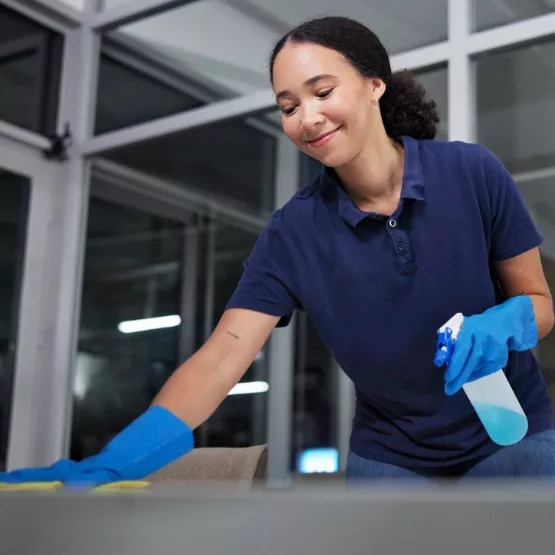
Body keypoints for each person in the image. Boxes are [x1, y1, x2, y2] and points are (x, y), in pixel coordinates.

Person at [2, 15, 554, 487]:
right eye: (288, 106)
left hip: (514, 436)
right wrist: (126, 456)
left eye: (322, 91)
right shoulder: (295, 233)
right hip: (393, 457)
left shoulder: (471, 172)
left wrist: (504, 323)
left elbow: (538, 302)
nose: (307, 118)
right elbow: (222, 357)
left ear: (374, 85)